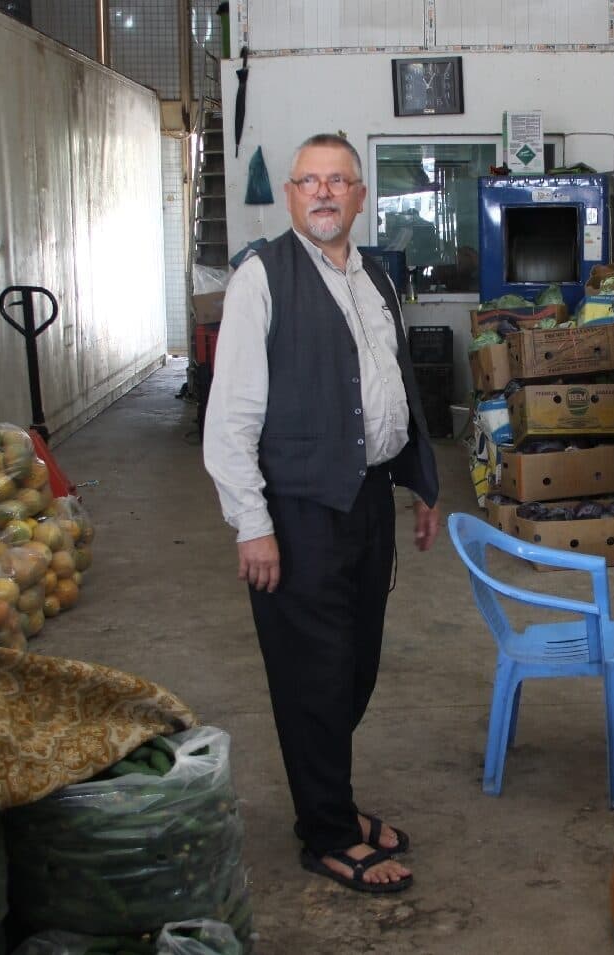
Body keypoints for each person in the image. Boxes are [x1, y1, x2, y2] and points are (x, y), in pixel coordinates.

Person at [203, 134, 440, 894]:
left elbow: (392, 381)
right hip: (298, 507)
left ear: (361, 195)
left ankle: (329, 798)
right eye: (309, 181)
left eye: (339, 180)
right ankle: (327, 832)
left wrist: (419, 482)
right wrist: (252, 522)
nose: (324, 193)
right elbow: (230, 417)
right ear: (292, 196)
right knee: (312, 676)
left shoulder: (374, 275)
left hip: (367, 497)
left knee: (355, 668)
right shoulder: (261, 280)